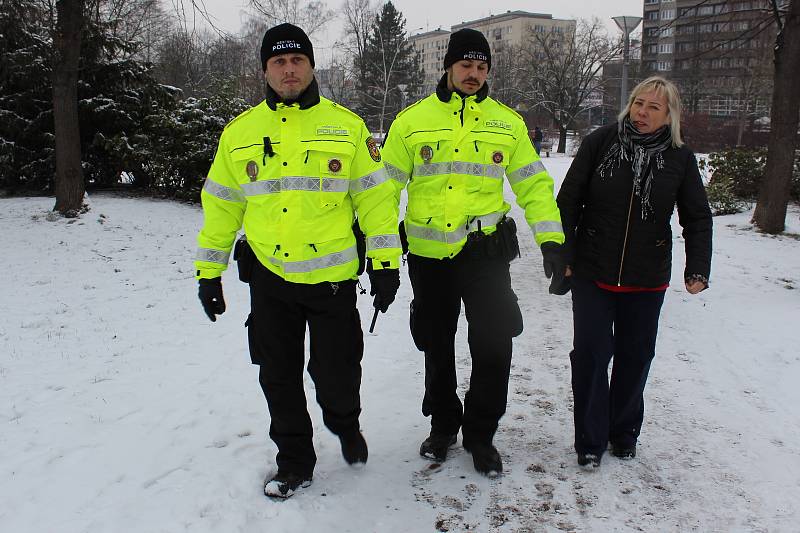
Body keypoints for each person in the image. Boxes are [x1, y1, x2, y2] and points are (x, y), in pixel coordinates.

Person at [194, 23, 402, 498]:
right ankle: (294, 461)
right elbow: (222, 207)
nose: (289, 70)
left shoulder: (346, 128)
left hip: (331, 283)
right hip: (270, 279)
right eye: (278, 62)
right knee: (278, 376)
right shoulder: (240, 134)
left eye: (297, 61)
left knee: (337, 375)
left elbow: (377, 203)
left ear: (311, 65)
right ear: (265, 70)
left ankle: (345, 423)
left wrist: (385, 264)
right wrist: (210, 273)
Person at [381, 28, 566, 477]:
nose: (473, 74)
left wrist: (552, 241)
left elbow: (535, 188)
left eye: (481, 67)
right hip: (429, 257)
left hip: (486, 256)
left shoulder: (507, 123)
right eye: (466, 65)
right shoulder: (412, 122)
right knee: (436, 345)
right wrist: (381, 252)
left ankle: (481, 433)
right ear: (448, 66)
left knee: (494, 345)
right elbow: (382, 192)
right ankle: (443, 424)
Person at [556, 76, 712, 468]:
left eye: (653, 108)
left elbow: (697, 217)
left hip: (647, 275)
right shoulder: (601, 142)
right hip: (593, 269)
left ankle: (623, 431)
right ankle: (590, 440)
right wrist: (565, 255)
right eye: (638, 103)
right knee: (592, 354)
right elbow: (568, 201)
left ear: (669, 116)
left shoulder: (679, 158)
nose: (641, 112)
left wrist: (698, 268)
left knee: (635, 355)